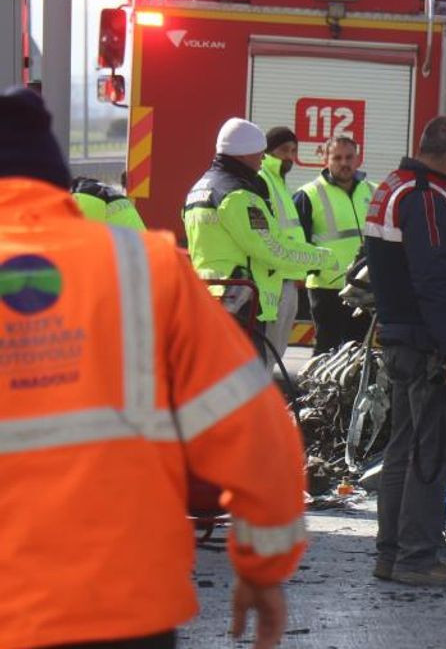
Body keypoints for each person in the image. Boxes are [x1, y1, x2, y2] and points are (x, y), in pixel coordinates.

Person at [0, 87, 307, 648]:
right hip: (121, 608)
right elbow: (256, 433)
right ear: (57, 181)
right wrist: (263, 566)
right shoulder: (146, 271)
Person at [364, 115, 446, 587]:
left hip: (403, 340)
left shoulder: (394, 187)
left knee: (402, 451)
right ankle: (417, 559)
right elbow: (433, 280)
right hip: (429, 347)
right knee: (430, 455)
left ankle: (391, 553)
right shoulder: (429, 198)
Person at [182, 118, 336, 354]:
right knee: (244, 386)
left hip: (209, 298)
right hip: (239, 304)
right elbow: (273, 249)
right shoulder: (238, 195)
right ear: (243, 154)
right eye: (259, 153)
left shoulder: (199, 189)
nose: (262, 159)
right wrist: (323, 259)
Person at [294, 136, 375, 355]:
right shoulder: (308, 194)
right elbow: (295, 241)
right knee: (325, 350)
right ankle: (313, 391)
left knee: (358, 352)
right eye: (337, 157)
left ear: (358, 158)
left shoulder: (373, 192)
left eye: (349, 157)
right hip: (326, 288)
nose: (344, 163)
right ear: (326, 159)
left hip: (363, 288)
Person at [258, 126, 321, 357]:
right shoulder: (263, 179)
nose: (290, 156)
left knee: (275, 352)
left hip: (288, 280)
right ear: (268, 151)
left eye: (293, 150)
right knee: (266, 352)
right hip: (273, 281)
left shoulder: (279, 183)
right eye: (284, 150)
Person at [70, 175, 146, 229]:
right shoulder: (99, 190)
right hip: (140, 246)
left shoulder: (83, 197)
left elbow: (84, 236)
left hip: (126, 248)